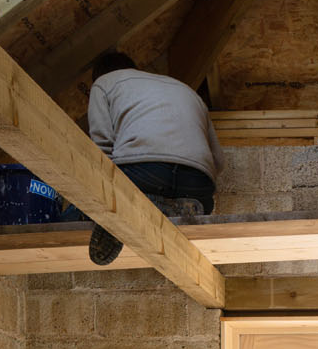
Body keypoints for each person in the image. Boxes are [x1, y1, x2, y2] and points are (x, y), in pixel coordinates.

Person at [84, 52, 225, 265]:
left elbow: (102, 148)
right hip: (198, 189)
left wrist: (102, 196)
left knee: (78, 208)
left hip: (142, 173)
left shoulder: (104, 84)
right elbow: (218, 160)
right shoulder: (187, 90)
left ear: (99, 74)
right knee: (167, 190)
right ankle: (165, 203)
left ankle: (133, 206)